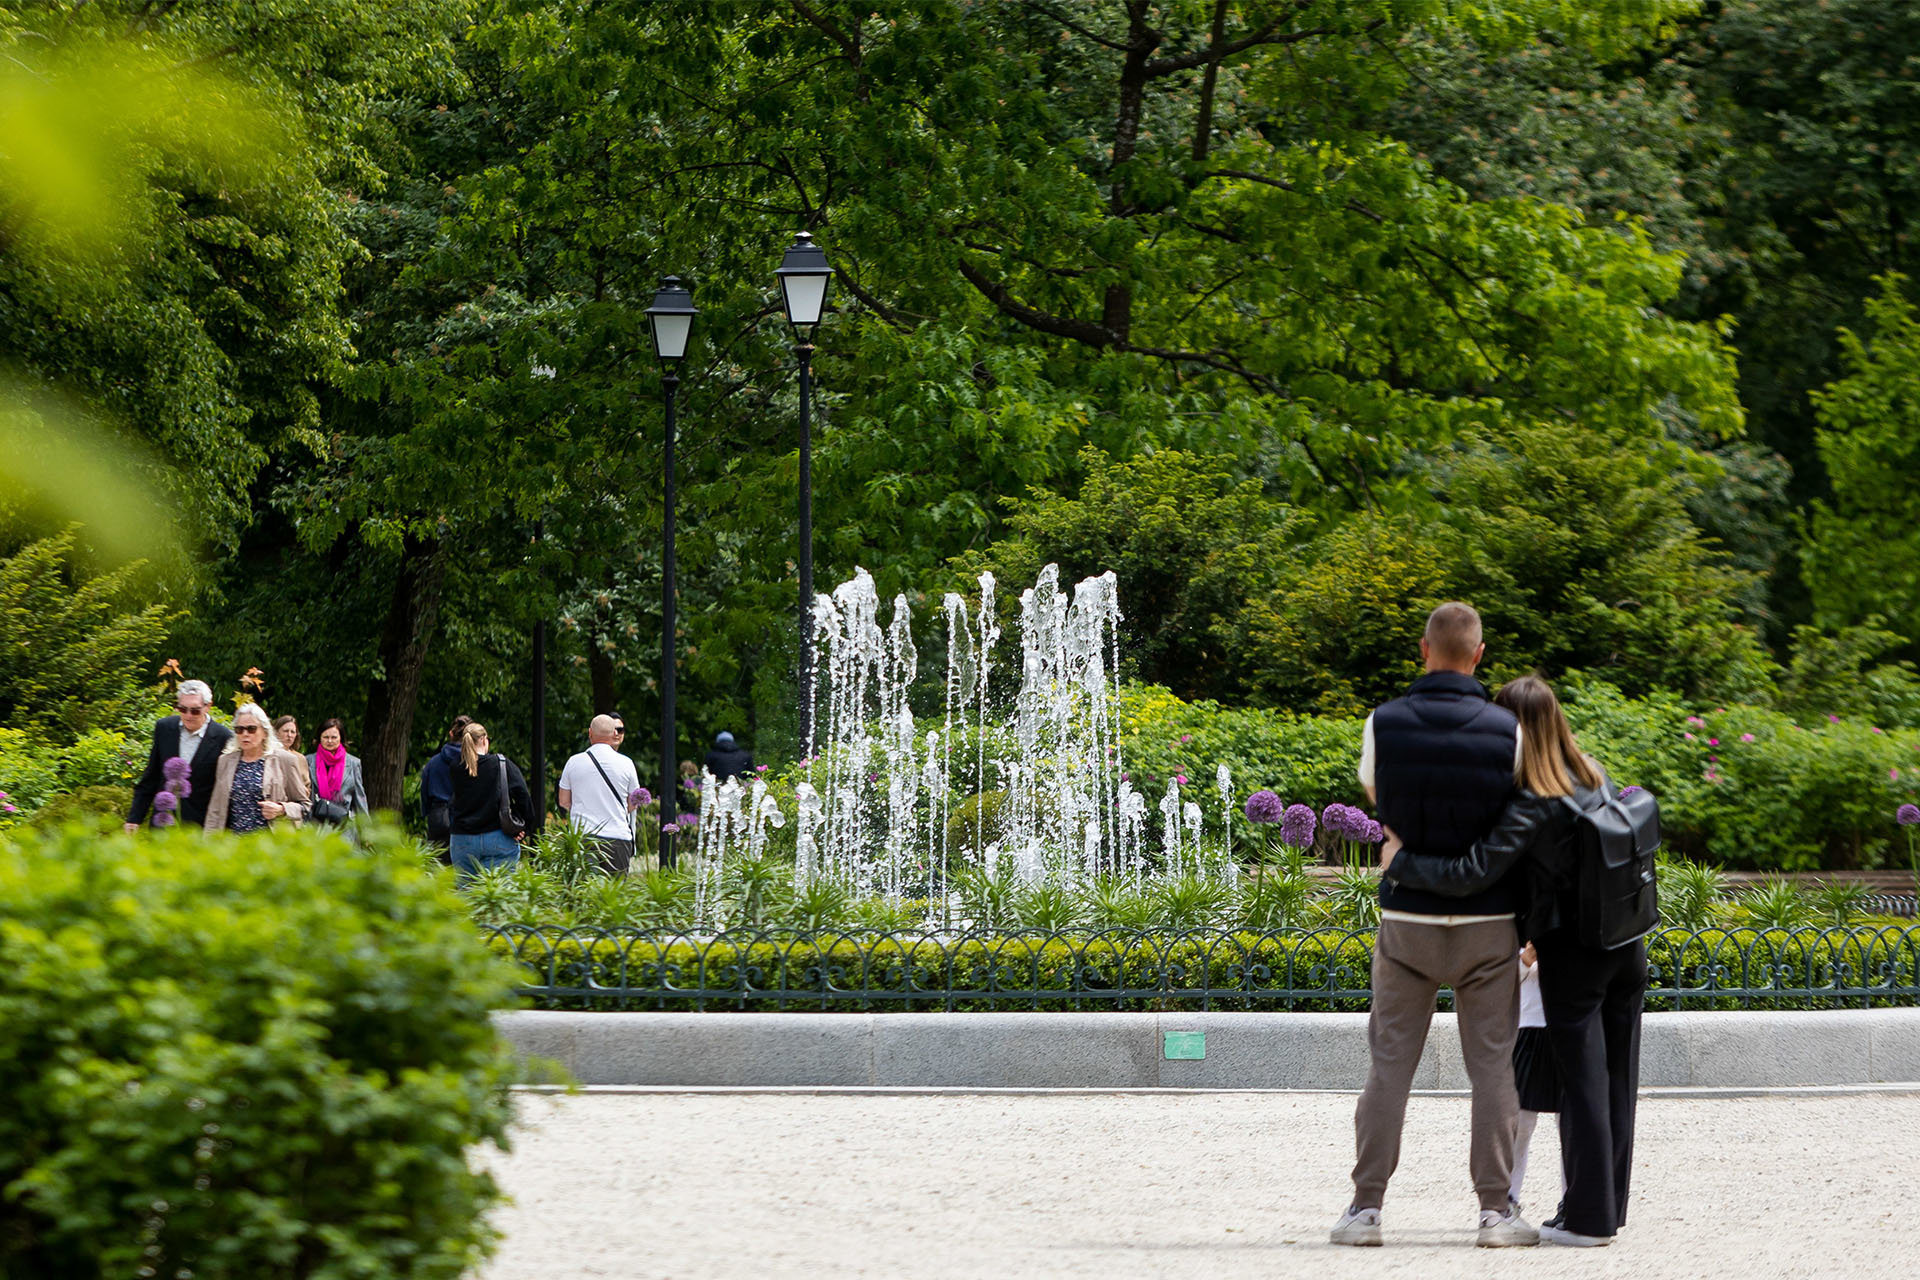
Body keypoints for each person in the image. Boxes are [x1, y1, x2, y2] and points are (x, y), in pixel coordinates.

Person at [1381, 675, 1640, 1249]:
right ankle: (1603, 1208)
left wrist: (1400, 862)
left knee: (1582, 1083)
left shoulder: (1533, 797)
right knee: (1618, 1079)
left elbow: (1475, 871)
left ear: (1515, 731)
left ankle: (1588, 1221)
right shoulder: (1592, 773)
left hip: (1577, 951)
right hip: (1627, 943)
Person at [1332, 602, 1536, 1249]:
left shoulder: (1382, 722)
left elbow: (1374, 794)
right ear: (1478, 655)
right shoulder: (1509, 729)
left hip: (1408, 918)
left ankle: (1366, 1210)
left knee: (1390, 1064)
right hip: (1488, 923)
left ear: (1424, 649)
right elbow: (1514, 821)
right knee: (1494, 1068)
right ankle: (1496, 1213)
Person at [127, 679, 235, 830]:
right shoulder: (164, 728)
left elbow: (225, 789)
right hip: (163, 822)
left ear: (208, 706)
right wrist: (135, 818)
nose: (188, 715)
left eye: (195, 710)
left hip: (200, 826)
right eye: (182, 709)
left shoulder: (223, 737)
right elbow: (152, 776)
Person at [204, 702, 311, 832]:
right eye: (239, 729)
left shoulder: (284, 760)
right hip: (233, 844)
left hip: (270, 844)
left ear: (265, 732)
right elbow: (215, 809)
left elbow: (305, 805)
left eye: (251, 729)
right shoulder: (225, 761)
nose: (245, 734)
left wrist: (281, 809)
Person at [557, 714, 644, 875]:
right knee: (614, 896)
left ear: (590, 733)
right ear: (613, 734)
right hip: (618, 837)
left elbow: (563, 802)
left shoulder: (573, 762)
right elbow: (635, 801)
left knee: (584, 893)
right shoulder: (627, 763)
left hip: (583, 838)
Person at [448, 722, 532, 881]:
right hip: (497, 837)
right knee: (498, 894)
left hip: (462, 839)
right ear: (485, 740)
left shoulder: (455, 768)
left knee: (466, 895)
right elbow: (523, 795)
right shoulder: (501, 764)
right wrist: (523, 826)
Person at [420, 715, 472, 851]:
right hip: (465, 817)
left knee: (438, 866)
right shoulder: (473, 763)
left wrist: (427, 812)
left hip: (438, 815)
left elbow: (424, 794)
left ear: (451, 733)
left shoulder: (433, 763)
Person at [307, 718, 371, 824]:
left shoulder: (354, 763)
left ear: (341, 738)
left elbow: (360, 799)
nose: (330, 741)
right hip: (316, 825)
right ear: (319, 738)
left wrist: (367, 832)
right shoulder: (308, 761)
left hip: (344, 826)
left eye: (334, 737)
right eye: (326, 737)